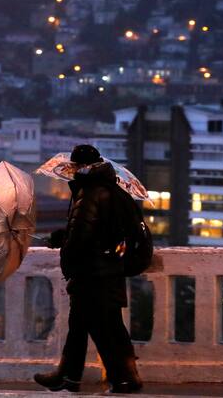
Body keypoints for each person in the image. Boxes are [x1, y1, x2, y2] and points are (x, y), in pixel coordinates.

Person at [34, 144, 143, 394]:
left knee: (104, 328)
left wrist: (68, 261)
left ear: (77, 167)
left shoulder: (90, 193)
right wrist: (63, 236)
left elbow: (81, 236)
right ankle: (69, 375)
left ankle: (123, 379)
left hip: (93, 274)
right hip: (108, 270)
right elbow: (98, 230)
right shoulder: (110, 189)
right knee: (84, 324)